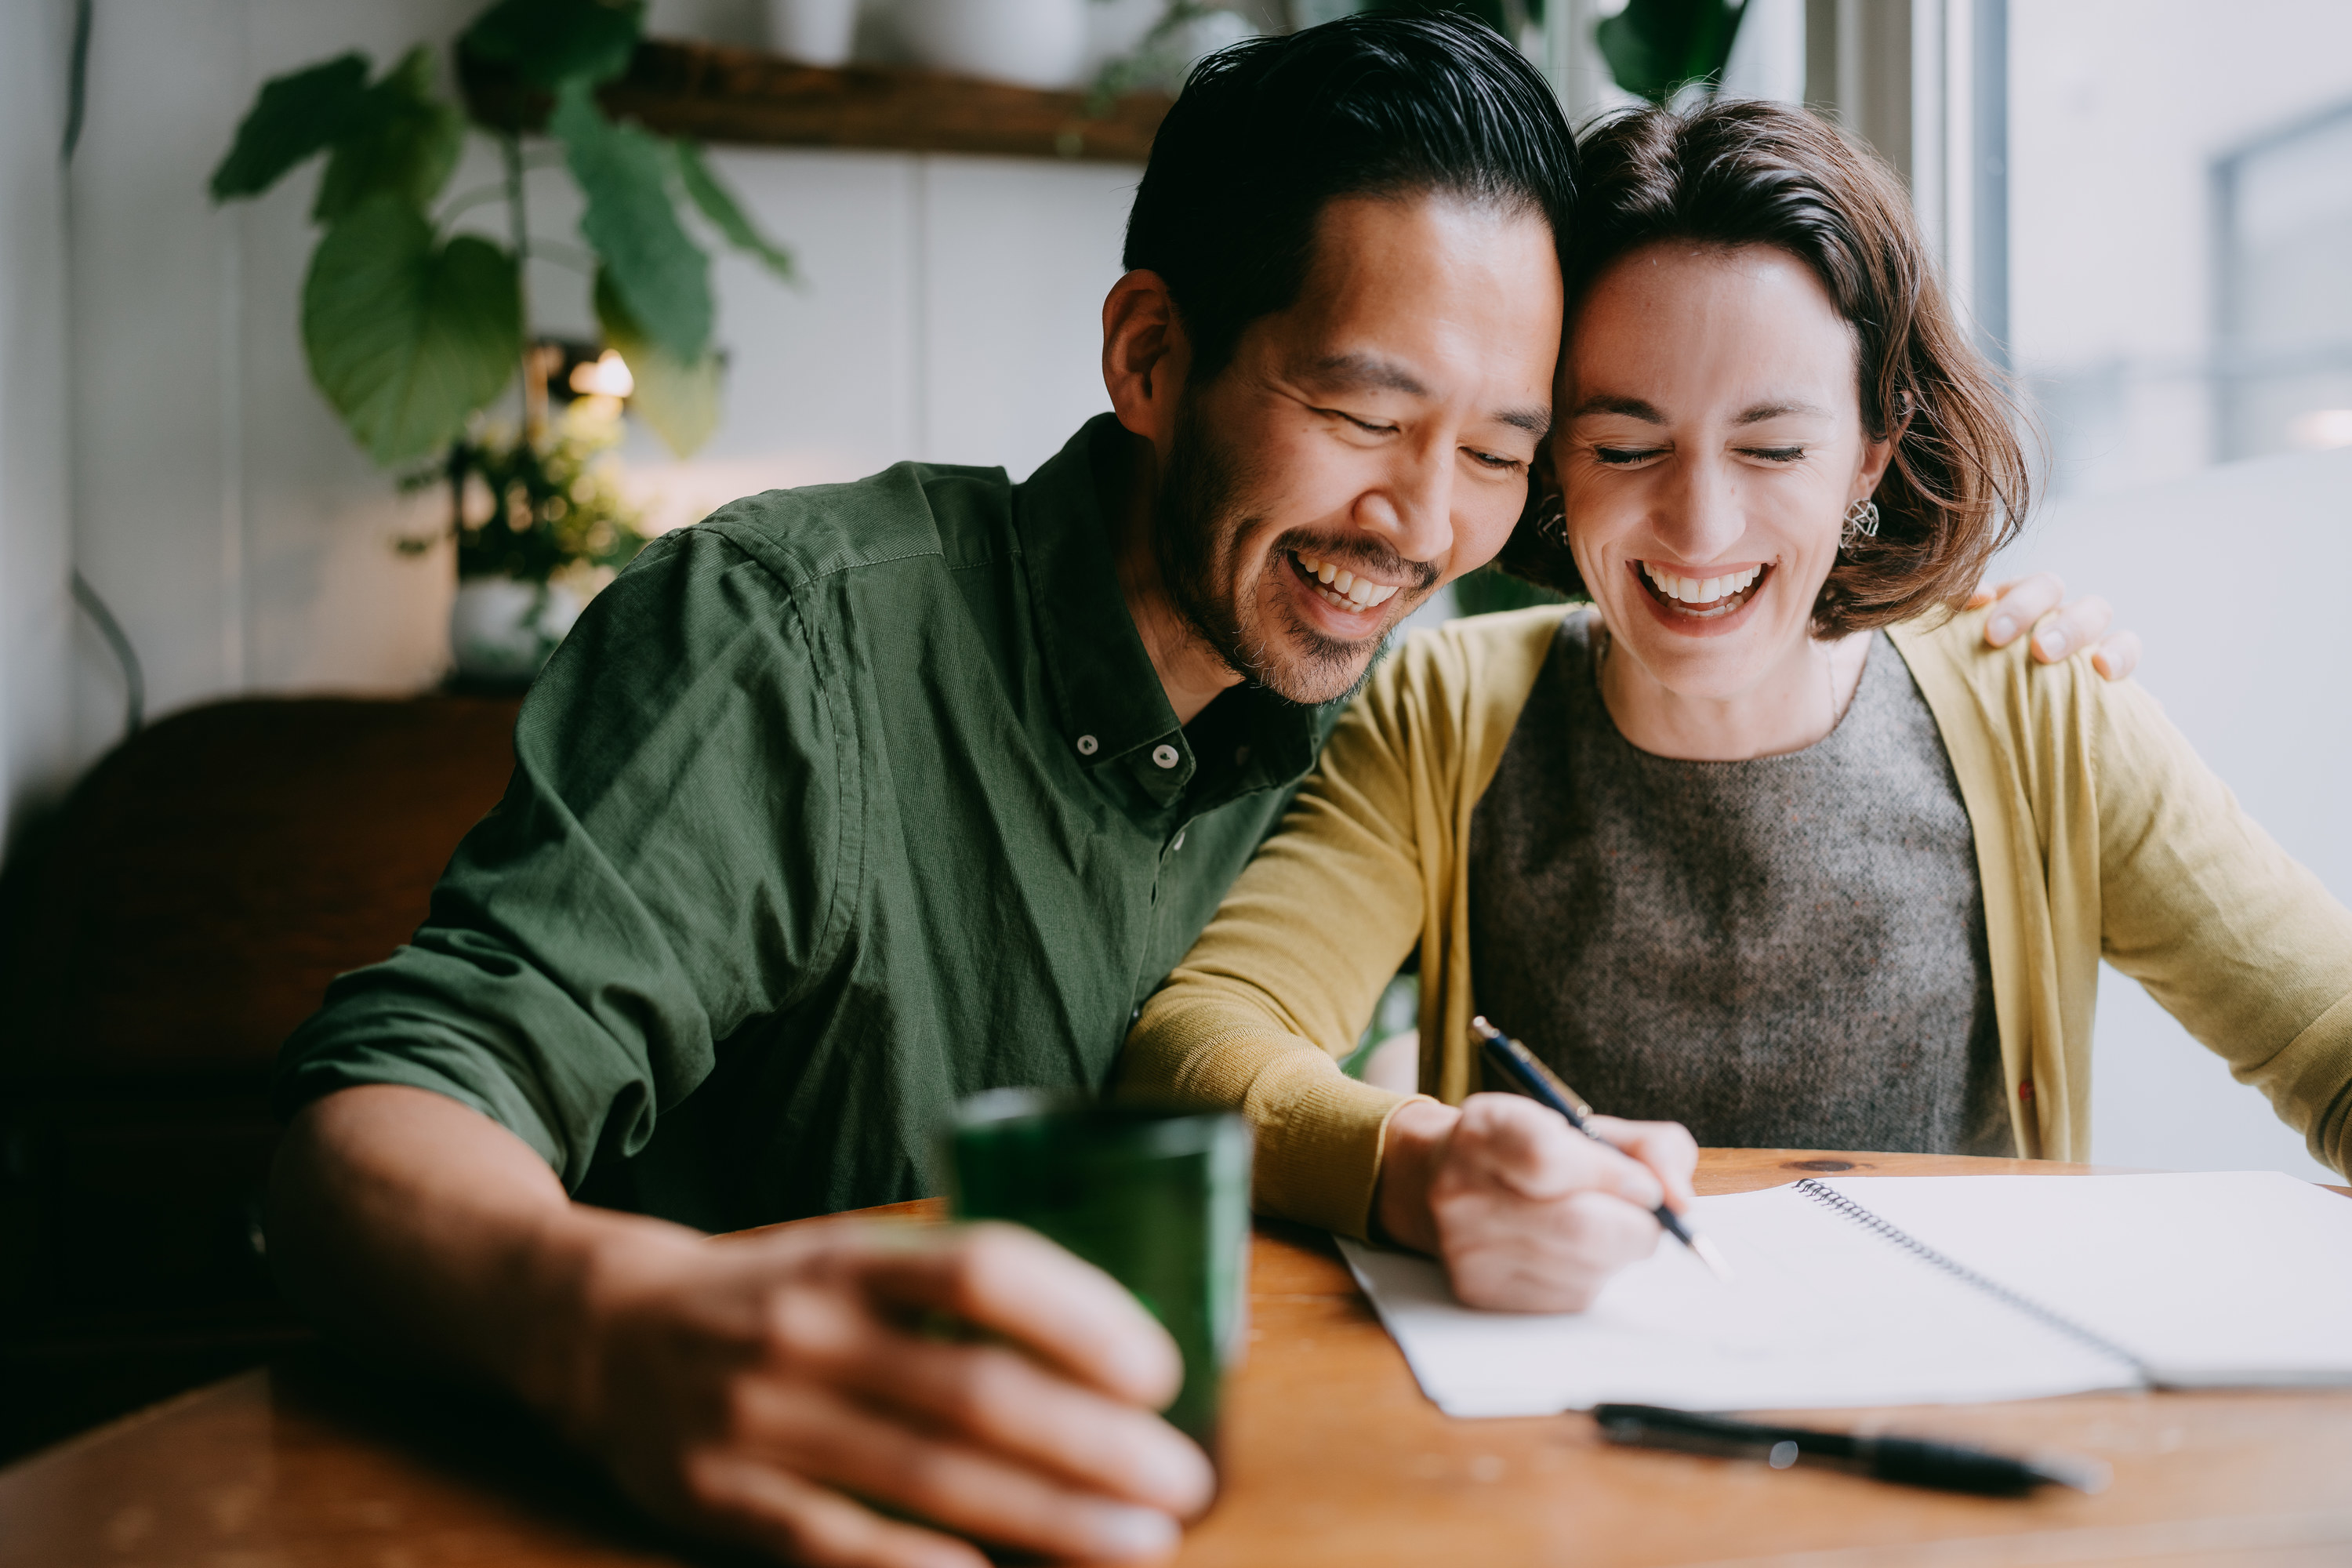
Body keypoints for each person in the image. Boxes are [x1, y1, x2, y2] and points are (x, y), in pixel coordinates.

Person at [267, 20, 2127, 1565]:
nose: (1424, 522)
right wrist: (609, 1326)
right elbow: (385, 1117)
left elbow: (1731, 590)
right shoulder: (795, 639)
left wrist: (1973, 641)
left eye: (1500, 449)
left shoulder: (1412, 684)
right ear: (1151, 354)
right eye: (1361, 413)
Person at [1120, 98, 2352, 1319]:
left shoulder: (2040, 707)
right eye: (1624, 446)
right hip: (1564, 1454)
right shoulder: (1446, 711)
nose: (1699, 530)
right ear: (1552, 460)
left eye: (1771, 449)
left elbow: (2329, 1037)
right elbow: (1203, 1043)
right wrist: (1419, 1165)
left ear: (1872, 447)